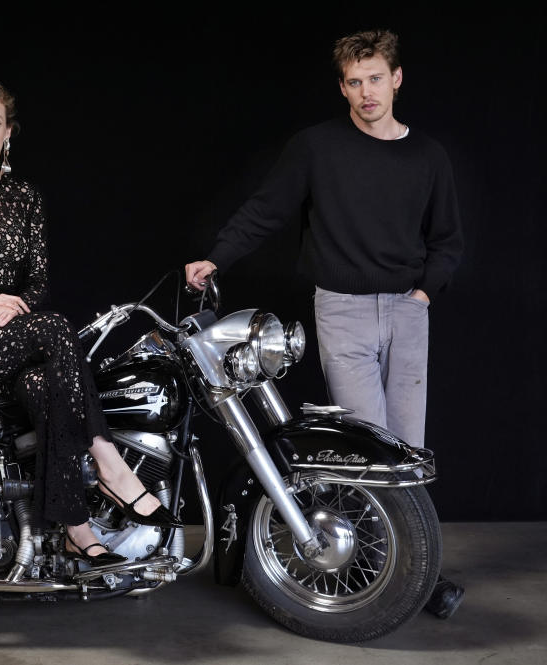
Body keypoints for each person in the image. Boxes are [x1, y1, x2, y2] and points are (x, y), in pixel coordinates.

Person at [184, 30, 464, 618]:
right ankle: (380, 579)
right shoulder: (316, 147)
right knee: (365, 451)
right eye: (355, 82)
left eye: (376, 78)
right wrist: (219, 256)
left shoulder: (428, 155)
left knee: (408, 453)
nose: (367, 93)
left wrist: (422, 295)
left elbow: (446, 240)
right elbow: (267, 209)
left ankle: (418, 578)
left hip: (409, 313)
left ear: (397, 79)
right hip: (344, 310)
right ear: (342, 88)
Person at [0, 79, 181, 567]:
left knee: (51, 385)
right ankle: (110, 464)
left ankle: (76, 530)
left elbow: (38, 284)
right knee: (54, 327)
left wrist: (12, 303)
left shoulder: (25, 196)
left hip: (13, 336)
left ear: (9, 130)